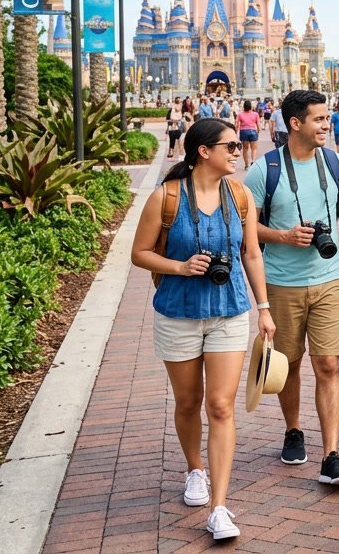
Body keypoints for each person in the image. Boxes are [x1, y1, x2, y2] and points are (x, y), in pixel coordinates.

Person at [130, 119, 274, 541]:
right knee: (189, 401)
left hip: (230, 311)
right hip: (178, 313)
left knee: (221, 406)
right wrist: (179, 266)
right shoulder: (166, 197)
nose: (238, 151)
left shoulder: (241, 195)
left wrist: (263, 308)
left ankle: (220, 506)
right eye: (229, 145)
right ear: (203, 152)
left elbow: (251, 254)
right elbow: (139, 253)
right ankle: (195, 469)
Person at [243, 90, 339, 486]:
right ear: (295, 123)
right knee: (290, 364)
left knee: (328, 364)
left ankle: (332, 454)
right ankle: (293, 429)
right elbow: (246, 229)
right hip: (281, 284)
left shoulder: (336, 164)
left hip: (329, 280)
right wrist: (282, 236)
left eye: (327, 118)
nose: (326, 125)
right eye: (318, 119)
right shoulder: (264, 170)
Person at [236, 100, 261, 170]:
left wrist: (235, 132)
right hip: (253, 131)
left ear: (244, 107)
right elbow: (258, 125)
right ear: (250, 106)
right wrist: (258, 132)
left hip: (243, 131)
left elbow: (236, 125)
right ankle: (253, 161)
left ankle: (246, 165)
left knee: (245, 149)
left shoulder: (240, 114)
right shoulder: (255, 114)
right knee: (254, 148)